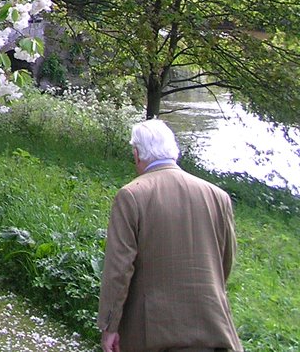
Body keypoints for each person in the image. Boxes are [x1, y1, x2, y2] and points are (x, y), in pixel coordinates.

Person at [97, 119, 242, 352]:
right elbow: (224, 262)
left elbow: (119, 269)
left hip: (153, 333)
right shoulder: (218, 196)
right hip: (213, 326)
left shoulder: (132, 196)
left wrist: (109, 327)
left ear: (136, 154)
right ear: (174, 150)